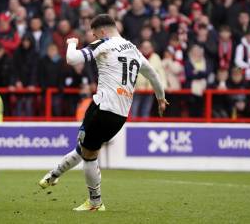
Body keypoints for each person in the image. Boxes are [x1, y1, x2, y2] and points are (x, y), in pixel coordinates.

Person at [38, 14, 168, 211]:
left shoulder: (104, 43)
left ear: (102, 31)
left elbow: (72, 59)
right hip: (121, 115)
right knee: (86, 148)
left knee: (88, 154)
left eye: (94, 33)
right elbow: (152, 74)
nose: (93, 36)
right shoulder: (134, 49)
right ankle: (53, 176)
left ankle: (95, 202)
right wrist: (160, 98)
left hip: (102, 107)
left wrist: (72, 43)